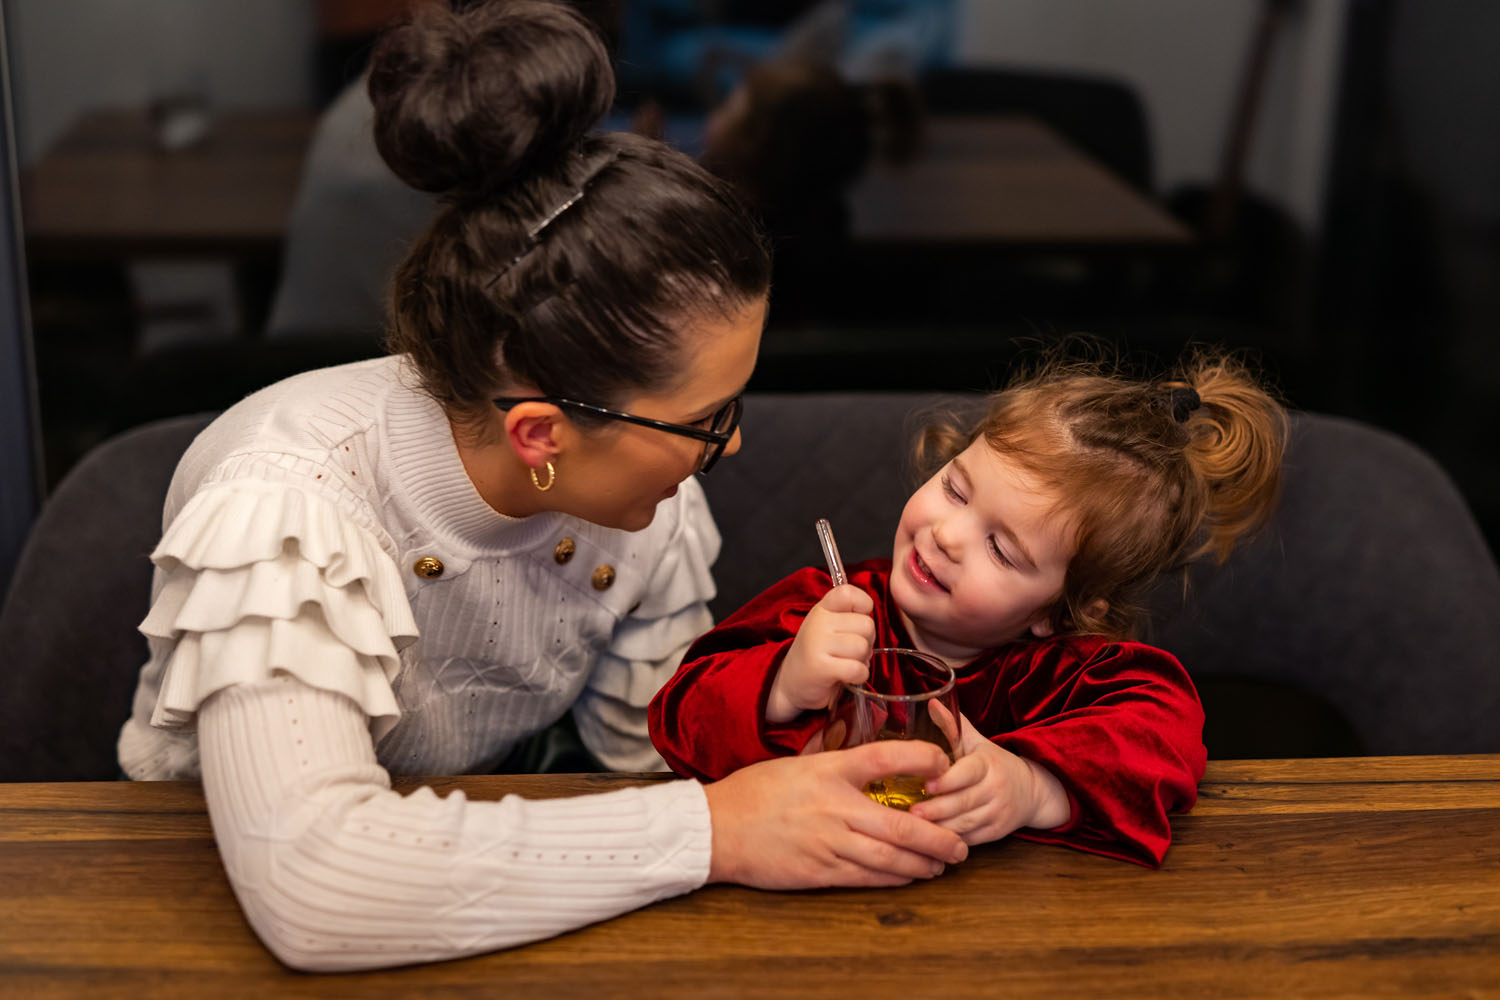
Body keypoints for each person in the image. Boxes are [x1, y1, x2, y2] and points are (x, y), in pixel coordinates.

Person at [116, 0, 966, 973]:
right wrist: (720, 829)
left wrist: (783, 728)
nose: (729, 446)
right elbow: (314, 881)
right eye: (706, 418)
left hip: (470, 903)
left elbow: (641, 757)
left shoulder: (641, 504)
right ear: (539, 434)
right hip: (190, 919)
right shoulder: (287, 508)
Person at [650, 349, 1288, 866]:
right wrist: (782, 685)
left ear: (1061, 611)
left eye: (1001, 551)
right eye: (956, 489)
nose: (947, 536)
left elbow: (1166, 735)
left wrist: (1032, 788)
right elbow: (678, 715)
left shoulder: (1066, 673)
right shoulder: (825, 609)